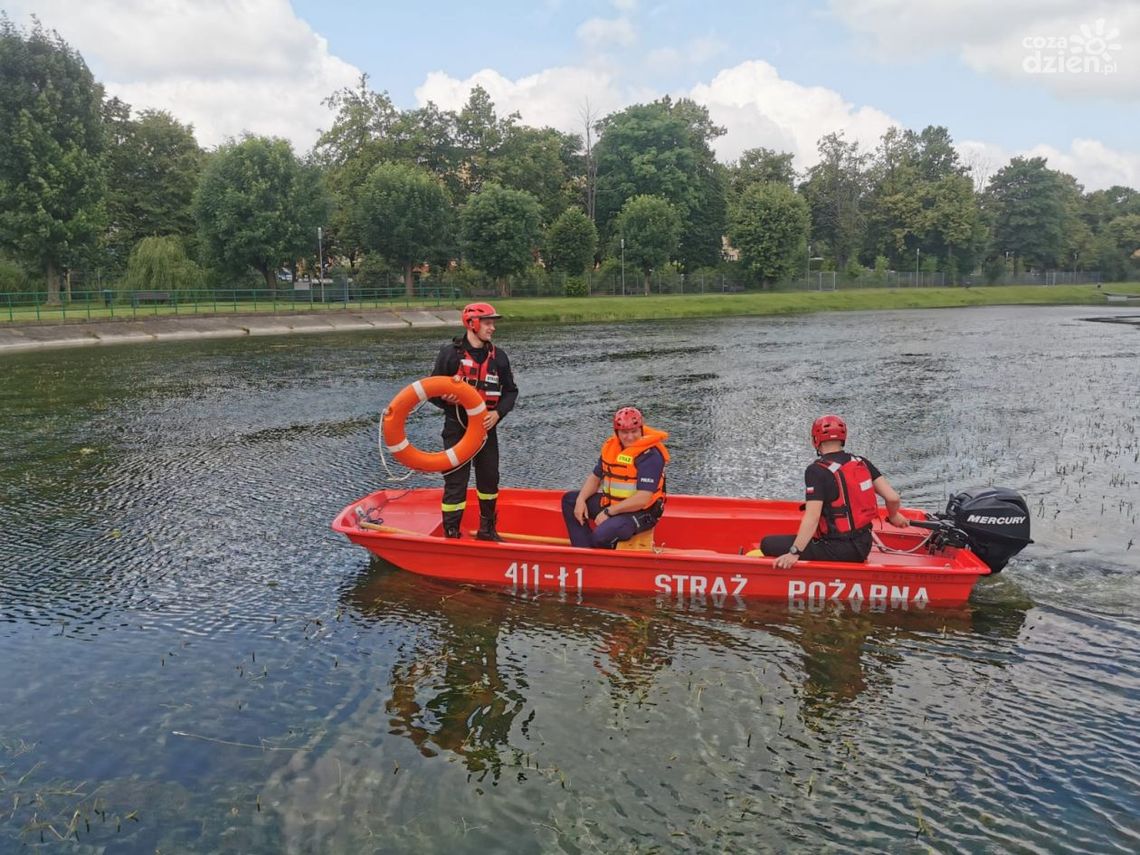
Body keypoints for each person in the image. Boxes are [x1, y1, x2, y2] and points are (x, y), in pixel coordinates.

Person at [763, 414, 909, 568]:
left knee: (768, 544)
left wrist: (794, 553)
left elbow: (812, 517)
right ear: (843, 439)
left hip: (838, 550)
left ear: (815, 441)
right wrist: (893, 515)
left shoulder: (816, 471)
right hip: (864, 545)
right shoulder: (861, 462)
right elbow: (893, 498)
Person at [431, 302, 518, 540]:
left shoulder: (499, 357)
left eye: (493, 324)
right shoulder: (450, 354)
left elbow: (511, 392)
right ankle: (451, 531)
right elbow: (431, 391)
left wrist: (498, 413)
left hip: (486, 430)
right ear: (472, 324)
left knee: (489, 480)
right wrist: (447, 400)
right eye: (488, 323)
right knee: (456, 482)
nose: (492, 329)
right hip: (457, 429)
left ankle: (487, 530)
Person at [562, 407, 669, 549]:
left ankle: (595, 554)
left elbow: (642, 498)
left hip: (641, 513)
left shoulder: (650, 456)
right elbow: (595, 477)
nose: (630, 437)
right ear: (617, 432)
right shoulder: (611, 448)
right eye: (625, 432)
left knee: (601, 535)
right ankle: (584, 553)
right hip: (614, 505)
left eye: (634, 431)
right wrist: (581, 500)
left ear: (641, 430)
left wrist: (608, 512)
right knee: (570, 501)